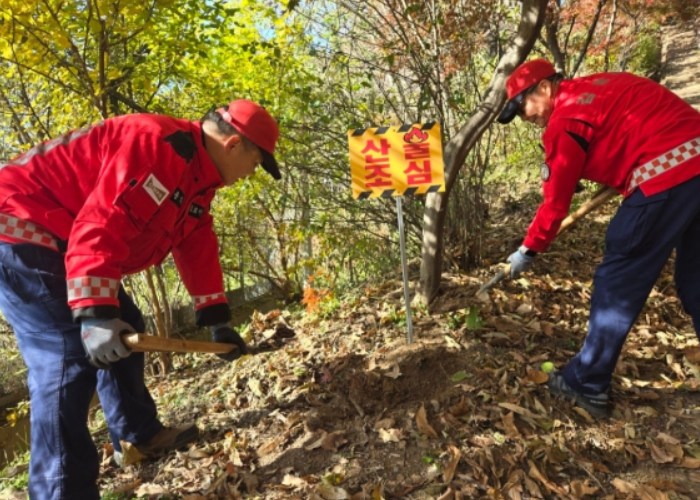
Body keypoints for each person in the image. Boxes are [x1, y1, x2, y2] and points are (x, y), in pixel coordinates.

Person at [0, 99, 281, 499]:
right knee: (65, 356)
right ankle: (59, 490)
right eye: (255, 163)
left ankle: (136, 435)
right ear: (233, 144)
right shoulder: (156, 146)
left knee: (126, 325)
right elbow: (103, 222)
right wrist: (93, 314)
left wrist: (216, 319)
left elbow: (195, 240)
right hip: (21, 226)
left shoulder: (196, 173)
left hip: (64, 238)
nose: (251, 174)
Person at [497, 59, 700, 418]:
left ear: (544, 87)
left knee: (618, 278)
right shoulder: (600, 86)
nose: (525, 118)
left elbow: (555, 204)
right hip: (691, 159)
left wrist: (528, 249)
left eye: (523, 107)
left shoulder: (565, 120)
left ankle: (586, 383)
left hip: (666, 175)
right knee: (695, 281)